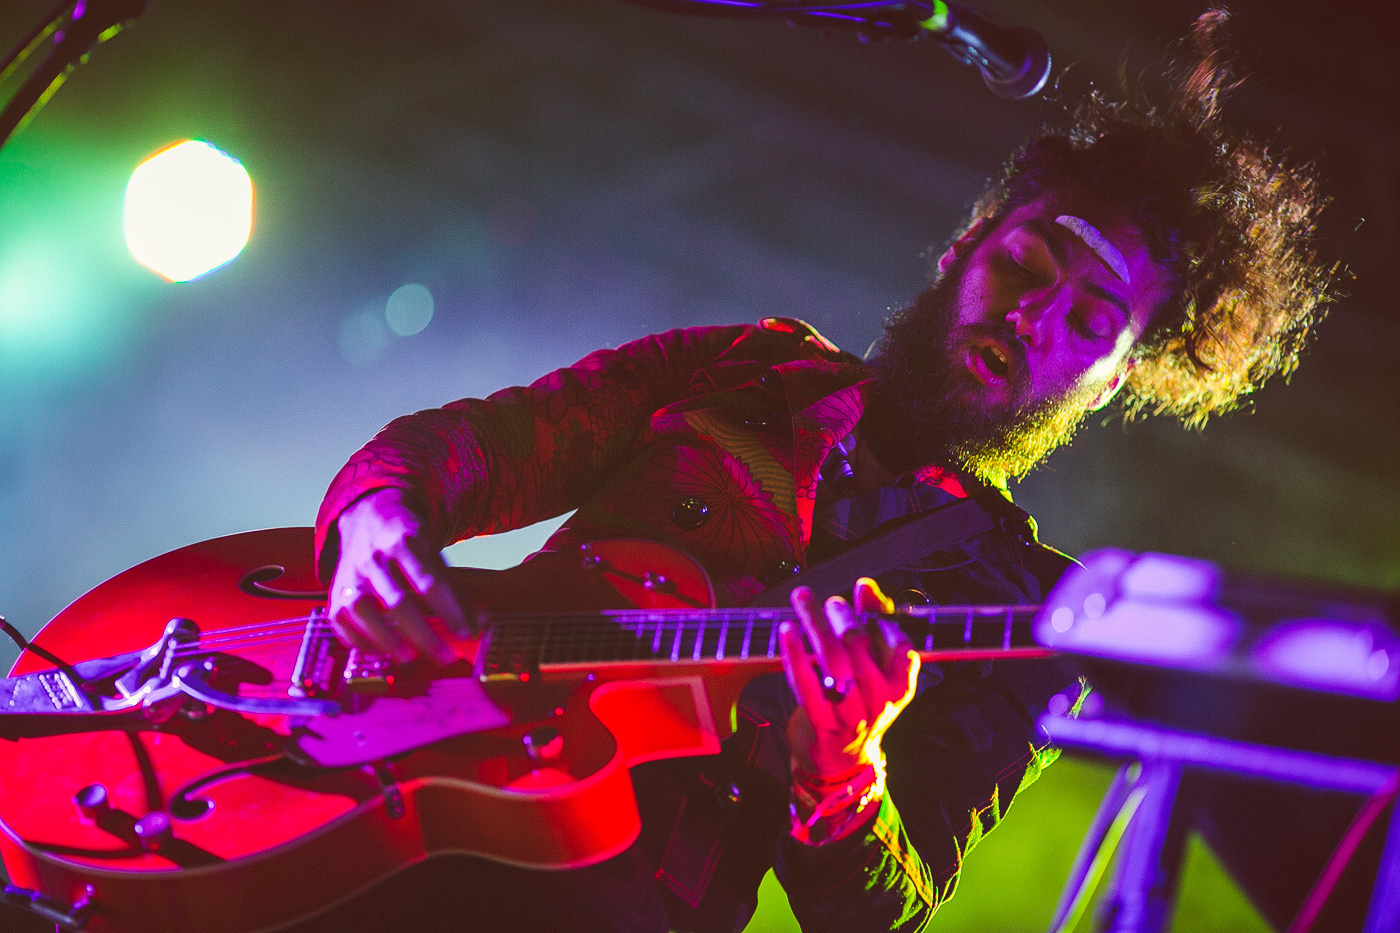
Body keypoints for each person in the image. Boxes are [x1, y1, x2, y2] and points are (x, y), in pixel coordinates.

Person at [303, 11, 1335, 933]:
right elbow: (468, 449)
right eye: (1023, 264)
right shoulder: (744, 365)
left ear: (1107, 387)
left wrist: (843, 770)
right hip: (365, 809)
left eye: (1091, 323)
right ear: (963, 247)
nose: (1032, 316)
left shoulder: (1029, 613)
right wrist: (377, 524)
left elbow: (885, 908)